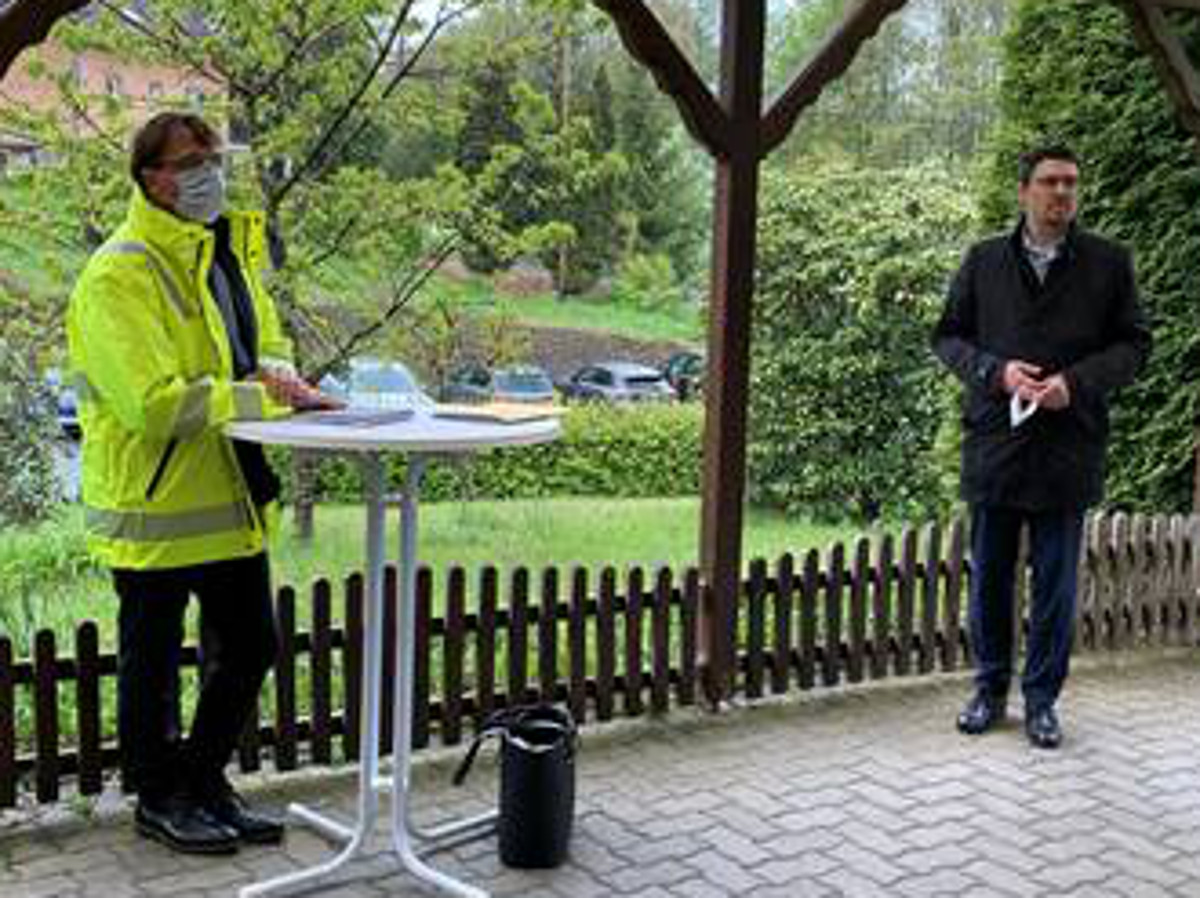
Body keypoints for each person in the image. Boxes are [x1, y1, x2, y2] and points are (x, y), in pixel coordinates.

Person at [67, 112, 328, 853]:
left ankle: (203, 780)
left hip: (227, 491)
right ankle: (159, 798)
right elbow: (152, 404)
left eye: (214, 156)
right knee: (149, 667)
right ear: (151, 177)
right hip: (154, 505)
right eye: (191, 160)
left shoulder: (223, 250)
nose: (209, 170)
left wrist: (276, 368)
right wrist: (257, 397)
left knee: (250, 645)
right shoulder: (119, 272)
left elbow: (261, 337)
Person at [932, 144, 1151, 750]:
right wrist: (994, 373)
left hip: (1067, 447)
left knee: (1056, 587)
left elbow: (1135, 346)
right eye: (1051, 182)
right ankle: (988, 690)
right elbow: (947, 337)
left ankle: (1042, 703)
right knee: (991, 582)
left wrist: (1074, 384)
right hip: (996, 446)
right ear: (1024, 190)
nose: (1062, 194)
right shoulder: (982, 262)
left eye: (1072, 184)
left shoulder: (1109, 264)